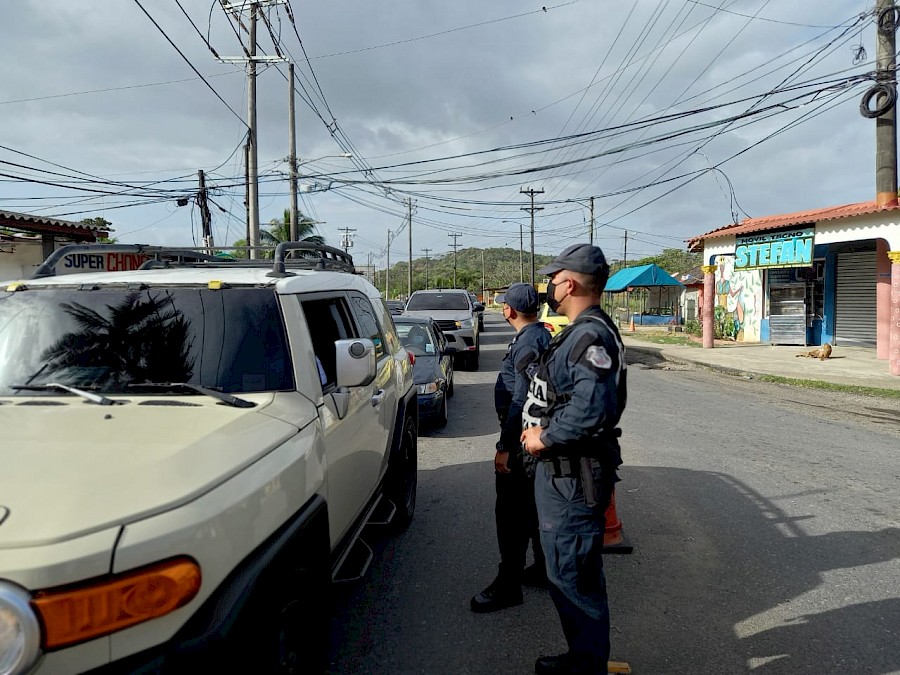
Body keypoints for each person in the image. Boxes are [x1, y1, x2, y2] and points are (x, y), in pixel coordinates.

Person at [520, 244, 627, 675]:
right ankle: (585, 659)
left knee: (571, 575)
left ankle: (585, 666)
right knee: (574, 572)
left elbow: (593, 407)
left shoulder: (589, 334)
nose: (549, 285)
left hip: (572, 477)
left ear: (570, 282)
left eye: (554, 277)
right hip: (566, 475)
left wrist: (543, 437)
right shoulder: (581, 329)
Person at [470, 283, 550, 613]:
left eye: (504, 305)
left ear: (508, 310)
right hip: (532, 435)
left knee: (511, 514)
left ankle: (508, 585)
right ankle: (544, 569)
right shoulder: (536, 335)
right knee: (532, 507)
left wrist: (503, 445)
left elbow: (523, 398)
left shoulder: (530, 340)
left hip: (522, 439)